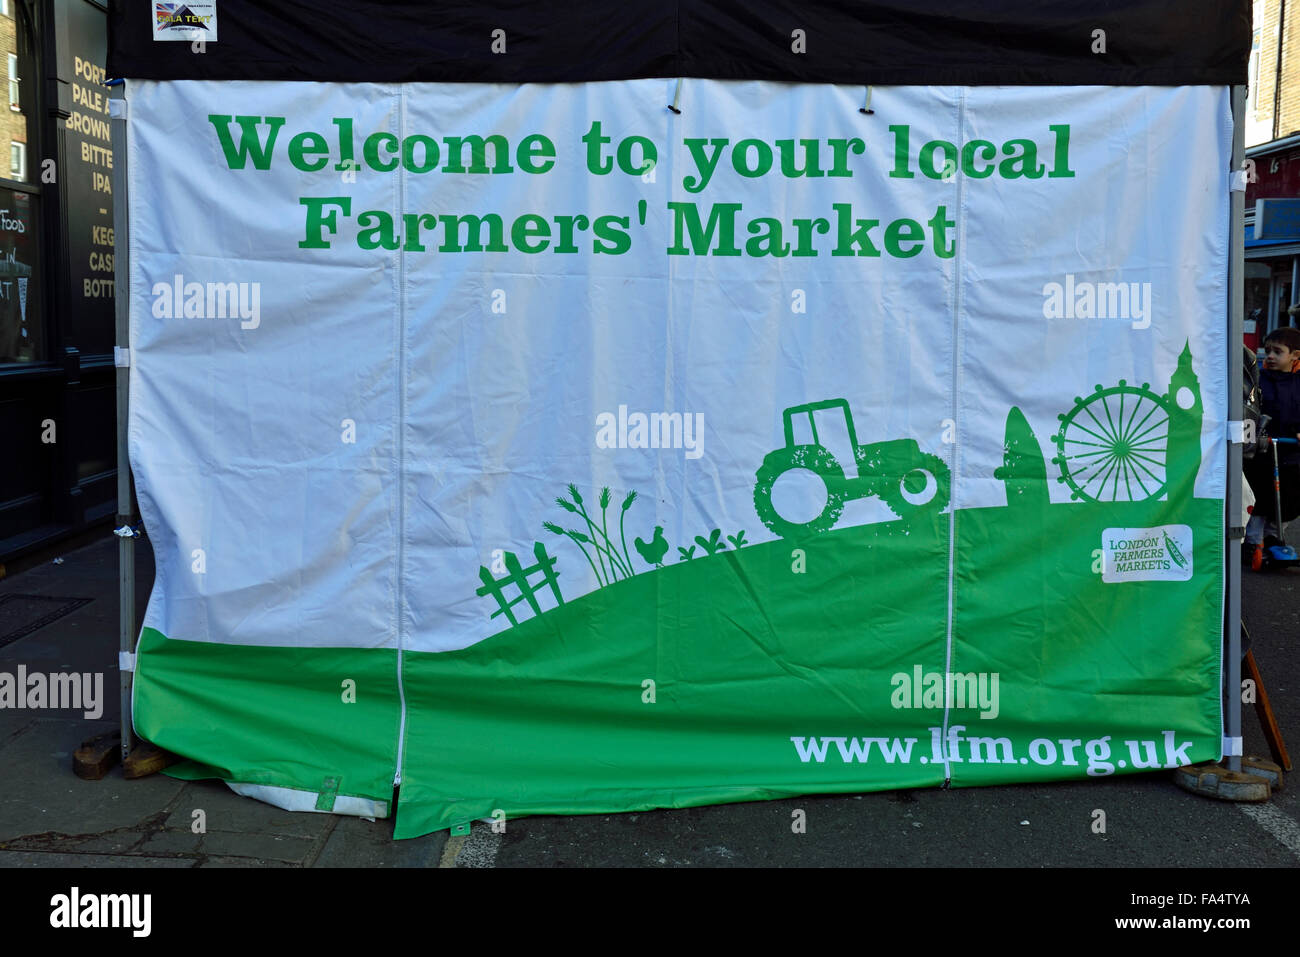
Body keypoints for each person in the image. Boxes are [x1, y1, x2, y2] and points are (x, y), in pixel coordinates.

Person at [1244, 325, 1300, 562]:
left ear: (1295, 355)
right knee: (1259, 496)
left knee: (1289, 497)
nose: (1270, 356)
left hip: (1291, 451)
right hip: (1262, 450)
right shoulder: (1260, 380)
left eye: (1278, 351)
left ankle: (1275, 536)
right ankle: (1253, 540)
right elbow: (1250, 407)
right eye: (1268, 350)